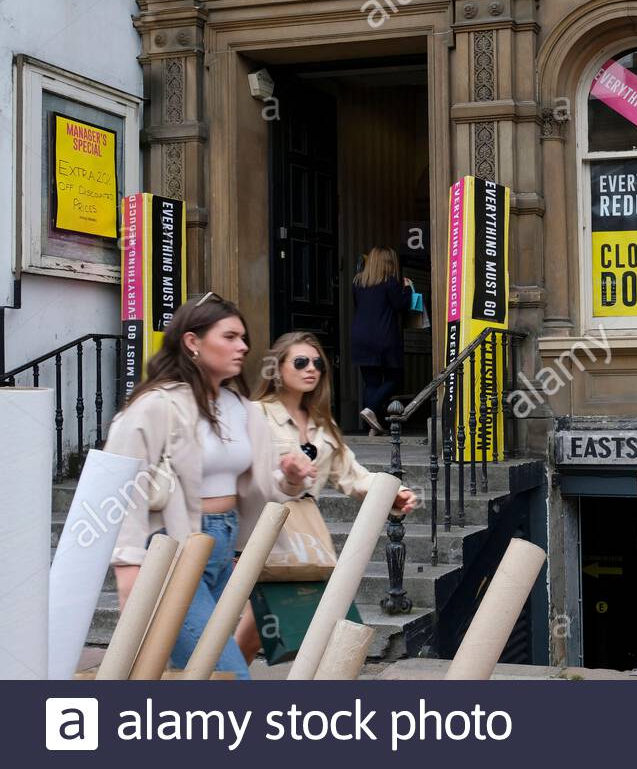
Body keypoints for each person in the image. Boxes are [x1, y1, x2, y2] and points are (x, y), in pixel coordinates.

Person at [106, 294, 317, 679]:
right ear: (192, 342)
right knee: (228, 676)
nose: (244, 347)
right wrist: (129, 566)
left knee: (204, 675)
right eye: (231, 337)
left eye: (243, 338)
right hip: (173, 548)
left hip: (224, 548)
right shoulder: (158, 405)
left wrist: (289, 478)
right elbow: (122, 486)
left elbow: (257, 487)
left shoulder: (243, 409)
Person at [234, 331, 418, 661]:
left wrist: (394, 493)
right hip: (254, 534)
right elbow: (239, 476)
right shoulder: (255, 414)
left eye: (318, 363)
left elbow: (354, 476)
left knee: (256, 635)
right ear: (276, 369)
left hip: (301, 538)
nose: (311, 369)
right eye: (301, 362)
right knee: (254, 632)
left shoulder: (323, 425)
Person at [351, 246, 412, 434]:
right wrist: (408, 288)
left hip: (360, 337)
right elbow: (400, 305)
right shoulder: (390, 281)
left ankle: (372, 426)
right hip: (383, 336)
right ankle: (371, 410)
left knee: (372, 383)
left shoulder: (358, 282)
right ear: (389, 262)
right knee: (395, 377)